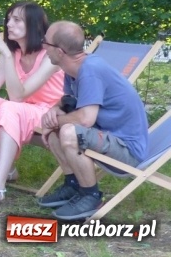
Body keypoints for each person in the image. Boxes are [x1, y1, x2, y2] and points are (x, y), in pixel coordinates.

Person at [37, 21, 148, 220]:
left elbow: (85, 119)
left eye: (45, 42)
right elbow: (69, 100)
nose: (42, 45)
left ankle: (91, 196)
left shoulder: (90, 70)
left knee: (69, 131)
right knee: (58, 130)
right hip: (107, 136)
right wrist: (54, 110)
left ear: (60, 51)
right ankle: (73, 186)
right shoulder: (73, 69)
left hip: (127, 150)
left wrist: (54, 122)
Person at [0, 1, 65, 207]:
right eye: (9, 19)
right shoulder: (14, 53)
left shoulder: (49, 57)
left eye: (17, 20)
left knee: (10, 107)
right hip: (24, 111)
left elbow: (18, 96)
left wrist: (7, 54)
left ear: (35, 25)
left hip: (52, 113)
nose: (9, 24)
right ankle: (8, 170)